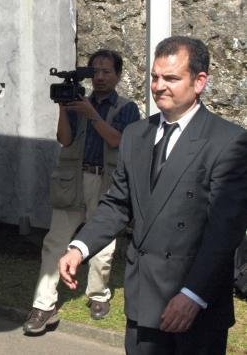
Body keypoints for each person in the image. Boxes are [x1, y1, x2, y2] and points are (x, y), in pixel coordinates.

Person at [59, 36, 247, 354]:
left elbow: (223, 233)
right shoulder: (136, 135)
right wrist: (80, 247)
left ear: (199, 81)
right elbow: (118, 203)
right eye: (155, 77)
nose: (159, 86)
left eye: (171, 78)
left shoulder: (228, 142)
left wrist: (193, 295)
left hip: (195, 306)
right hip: (144, 300)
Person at [23, 49, 140, 334]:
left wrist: (92, 116)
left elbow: (120, 142)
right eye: (95, 71)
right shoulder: (79, 103)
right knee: (55, 242)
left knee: (103, 246)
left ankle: (98, 295)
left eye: (106, 71)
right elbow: (65, 139)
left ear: (118, 75)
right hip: (73, 179)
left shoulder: (127, 108)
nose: (99, 77)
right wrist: (63, 108)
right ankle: (44, 305)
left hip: (107, 183)